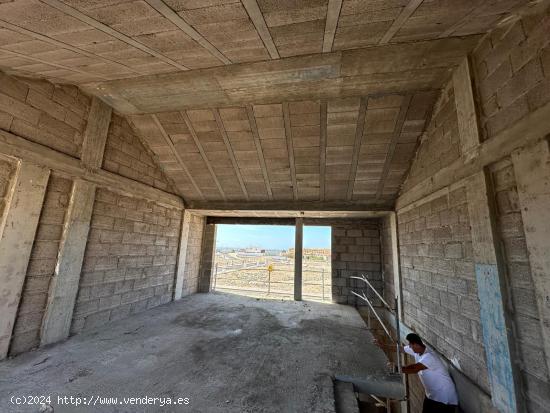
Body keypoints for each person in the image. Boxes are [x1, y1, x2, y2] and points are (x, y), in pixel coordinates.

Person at [375, 333, 458, 412]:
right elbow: (401, 349)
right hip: (432, 396)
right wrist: (383, 346)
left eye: (411, 345)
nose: (409, 347)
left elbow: (414, 368)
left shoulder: (429, 357)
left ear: (417, 345)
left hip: (444, 398)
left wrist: (396, 368)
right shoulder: (418, 350)